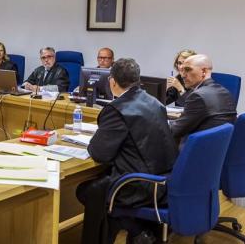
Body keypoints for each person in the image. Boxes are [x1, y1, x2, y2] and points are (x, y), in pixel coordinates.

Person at [76, 58, 177, 244]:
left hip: (138, 185)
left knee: (87, 191)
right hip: (165, 180)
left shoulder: (116, 109)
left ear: (112, 81)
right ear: (138, 80)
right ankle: (138, 230)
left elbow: (99, 153)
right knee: (99, 190)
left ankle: (134, 228)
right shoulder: (154, 101)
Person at [169, 54, 237, 144]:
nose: (183, 75)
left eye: (188, 70)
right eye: (182, 70)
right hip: (217, 150)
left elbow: (175, 131)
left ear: (203, 71)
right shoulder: (224, 91)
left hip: (195, 152)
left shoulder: (197, 96)